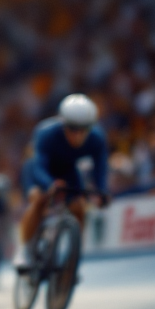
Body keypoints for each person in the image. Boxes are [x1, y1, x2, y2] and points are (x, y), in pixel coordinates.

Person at [15, 94, 110, 269]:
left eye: (84, 129)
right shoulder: (45, 132)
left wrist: (102, 191)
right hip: (39, 169)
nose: (78, 135)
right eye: (72, 129)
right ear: (63, 123)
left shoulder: (97, 138)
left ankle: (73, 255)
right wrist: (49, 184)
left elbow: (101, 168)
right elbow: (38, 166)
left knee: (79, 206)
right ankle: (25, 250)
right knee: (38, 200)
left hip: (67, 170)